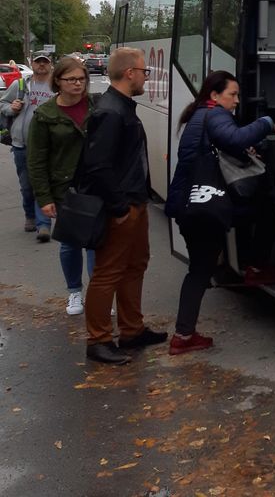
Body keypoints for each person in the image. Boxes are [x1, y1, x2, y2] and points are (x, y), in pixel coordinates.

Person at [166, 70, 273, 355]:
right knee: (266, 207)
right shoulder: (215, 114)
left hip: (189, 204)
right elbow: (234, 139)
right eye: (233, 95)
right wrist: (266, 121)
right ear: (215, 95)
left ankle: (185, 334)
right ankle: (255, 267)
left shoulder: (200, 115)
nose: (237, 101)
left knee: (199, 269)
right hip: (204, 205)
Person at [73, 47, 164, 365]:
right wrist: (120, 208)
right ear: (129, 73)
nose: (145, 77)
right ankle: (97, 341)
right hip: (121, 207)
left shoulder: (122, 106)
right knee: (108, 273)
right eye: (144, 71)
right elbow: (98, 166)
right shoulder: (111, 111)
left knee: (135, 266)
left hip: (135, 202)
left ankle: (131, 331)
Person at [26, 57, 99, 316]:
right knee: (70, 243)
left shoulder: (96, 105)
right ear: (58, 81)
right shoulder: (46, 115)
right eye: (71, 79)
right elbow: (36, 160)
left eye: (81, 79)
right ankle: (74, 293)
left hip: (94, 186)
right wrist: (43, 197)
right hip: (63, 189)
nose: (78, 84)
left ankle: (97, 293)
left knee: (94, 243)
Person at [2, 52, 56, 240]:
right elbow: (3, 104)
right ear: (32, 64)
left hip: (47, 146)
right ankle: (30, 216)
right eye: (38, 62)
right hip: (21, 144)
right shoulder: (21, 85)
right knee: (27, 186)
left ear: (50, 65)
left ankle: (44, 224)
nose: (41, 65)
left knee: (42, 184)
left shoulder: (55, 87)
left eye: (45, 62)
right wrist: (11, 108)